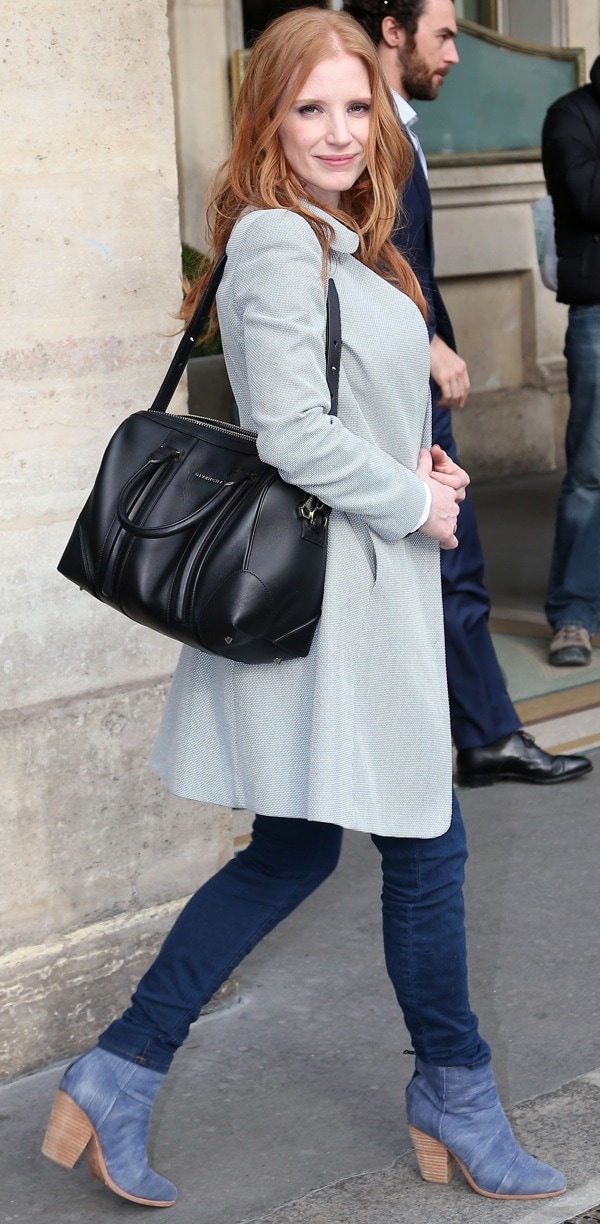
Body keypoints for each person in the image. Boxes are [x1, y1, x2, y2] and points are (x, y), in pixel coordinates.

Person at [41, 8, 566, 1209]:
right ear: (268, 120)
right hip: (337, 614)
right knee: (427, 849)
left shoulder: (345, 233)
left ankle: (119, 1069)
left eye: (352, 106)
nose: (337, 130)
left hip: (358, 597)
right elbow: (287, 433)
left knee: (291, 851)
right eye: (307, 108)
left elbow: (344, 419)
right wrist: (416, 508)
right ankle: (454, 1088)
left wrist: (416, 468)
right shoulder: (280, 240)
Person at [343, 0, 593, 786]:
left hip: (409, 386)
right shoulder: (366, 132)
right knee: (450, 560)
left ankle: (479, 733)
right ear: (393, 28)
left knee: (447, 564)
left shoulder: (393, 123)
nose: (456, 52)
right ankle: (478, 735)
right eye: (444, 34)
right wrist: (428, 342)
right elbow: (368, 254)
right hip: (395, 386)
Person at [541, 57, 600, 667]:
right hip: (597, 316)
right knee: (590, 470)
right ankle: (574, 613)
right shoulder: (571, 116)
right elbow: (587, 199)